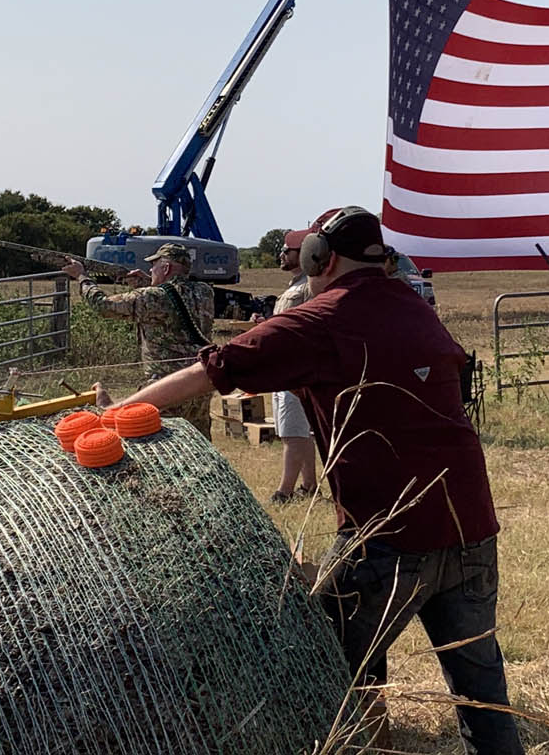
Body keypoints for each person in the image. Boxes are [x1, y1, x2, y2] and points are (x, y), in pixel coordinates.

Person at [109, 206, 524, 754]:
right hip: (470, 525)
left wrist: (115, 414)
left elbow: (212, 370)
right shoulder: (415, 307)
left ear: (318, 257)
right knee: (482, 694)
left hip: (387, 536)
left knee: (318, 671)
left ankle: (357, 740)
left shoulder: (322, 318)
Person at [62, 242, 215, 438]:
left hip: (166, 385)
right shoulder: (204, 291)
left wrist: (82, 277)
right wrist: (147, 283)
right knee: (198, 440)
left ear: (166, 268)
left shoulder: (153, 296)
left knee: (163, 440)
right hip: (200, 380)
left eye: (154, 266)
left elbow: (104, 306)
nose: (150, 270)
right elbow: (174, 298)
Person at [266, 228, 317, 505]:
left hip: (295, 369)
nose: (282, 254)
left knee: (291, 432)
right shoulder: (296, 284)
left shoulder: (309, 285)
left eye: (288, 250)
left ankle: (284, 492)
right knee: (299, 431)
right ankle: (308, 485)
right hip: (284, 368)